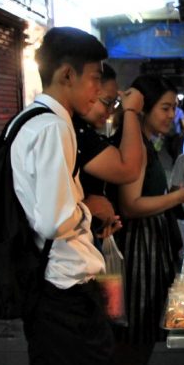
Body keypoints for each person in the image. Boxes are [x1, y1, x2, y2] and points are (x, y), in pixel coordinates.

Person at [10, 26, 127, 365]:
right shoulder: (54, 125)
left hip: (42, 291)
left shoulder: (25, 121)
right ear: (66, 74)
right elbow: (52, 219)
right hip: (66, 294)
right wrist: (87, 208)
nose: (99, 90)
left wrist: (78, 202)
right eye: (95, 78)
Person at [113, 75, 184, 365]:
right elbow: (132, 204)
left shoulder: (143, 141)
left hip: (149, 242)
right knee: (135, 329)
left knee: (144, 324)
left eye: (173, 107)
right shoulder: (134, 143)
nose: (172, 115)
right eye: (165, 108)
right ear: (144, 109)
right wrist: (180, 196)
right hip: (139, 248)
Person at [75, 64, 145, 239]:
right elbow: (128, 170)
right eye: (107, 102)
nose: (111, 110)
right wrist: (130, 111)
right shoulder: (75, 131)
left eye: (115, 103)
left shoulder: (81, 130)